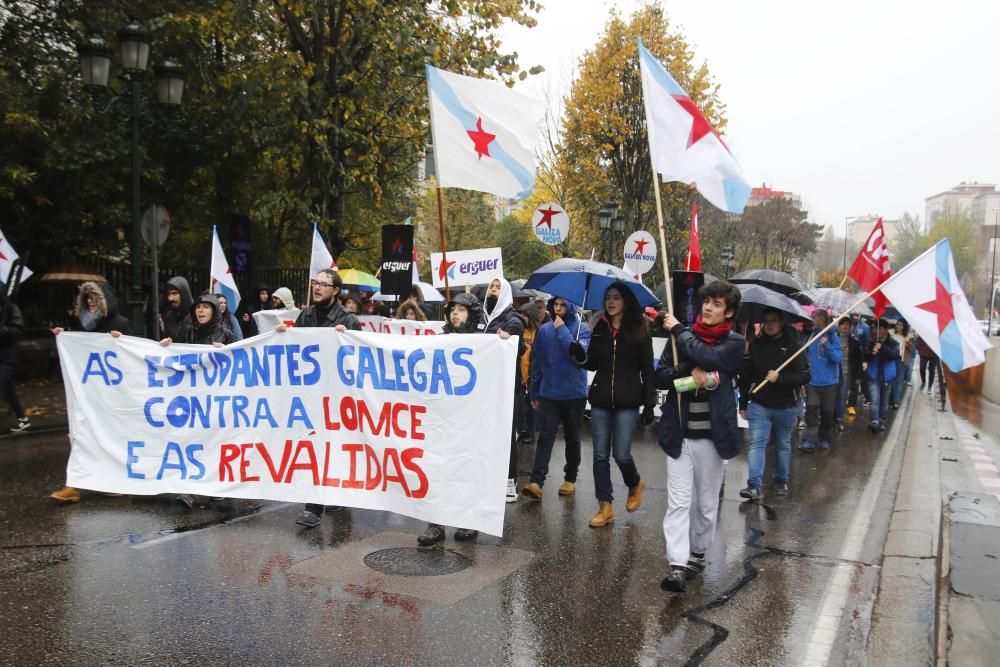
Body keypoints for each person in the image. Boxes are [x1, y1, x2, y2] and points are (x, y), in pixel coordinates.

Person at [655, 280, 744, 593]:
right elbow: (661, 377)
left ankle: (697, 553)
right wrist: (684, 376)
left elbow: (713, 361)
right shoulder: (680, 339)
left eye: (717, 304)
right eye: (707, 302)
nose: (708, 308)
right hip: (678, 436)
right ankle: (677, 565)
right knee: (678, 503)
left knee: (706, 505)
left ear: (729, 312)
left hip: (712, 438)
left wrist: (680, 330)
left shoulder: (734, 343)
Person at [276, 268, 361, 528]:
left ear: (335, 291)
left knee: (333, 448)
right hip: (312, 397)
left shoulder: (348, 319)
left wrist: (344, 339)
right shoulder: (306, 315)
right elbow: (297, 350)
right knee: (314, 447)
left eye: (323, 284)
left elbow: (358, 359)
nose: (317, 288)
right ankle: (313, 507)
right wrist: (284, 335)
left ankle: (334, 493)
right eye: (315, 283)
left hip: (336, 398)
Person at [569, 282, 654, 528]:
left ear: (626, 301)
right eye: (608, 298)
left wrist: (649, 403)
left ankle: (635, 482)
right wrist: (579, 355)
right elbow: (593, 363)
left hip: (628, 400)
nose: (611, 302)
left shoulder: (640, 329)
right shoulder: (599, 329)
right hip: (601, 399)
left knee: (621, 454)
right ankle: (605, 506)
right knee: (599, 455)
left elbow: (648, 369)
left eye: (616, 297)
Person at [50, 282, 131, 503]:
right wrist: (63, 338)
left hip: (111, 394)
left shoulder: (121, 323)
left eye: (94, 298)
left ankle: (113, 481)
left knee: (109, 436)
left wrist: (121, 341)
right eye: (87, 298)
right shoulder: (79, 325)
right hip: (86, 394)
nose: (90, 302)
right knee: (81, 434)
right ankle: (74, 485)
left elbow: (134, 355)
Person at [417, 293, 486, 545]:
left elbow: (514, 352)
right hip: (441, 416)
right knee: (437, 469)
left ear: (472, 314)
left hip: (468, 418)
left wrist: (505, 342)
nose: (455, 313)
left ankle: (468, 521)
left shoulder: (484, 342)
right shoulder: (440, 340)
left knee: (465, 468)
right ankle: (435, 524)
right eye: (453, 309)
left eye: (462, 310)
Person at [160, 294, 235, 508]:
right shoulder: (187, 331)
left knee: (213, 442)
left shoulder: (226, 334)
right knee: (190, 440)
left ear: (214, 311)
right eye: (198, 307)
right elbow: (177, 355)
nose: (200, 311)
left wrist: (227, 353)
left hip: (215, 399)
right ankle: (189, 488)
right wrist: (166, 347)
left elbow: (242, 361)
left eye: (205, 307)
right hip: (191, 398)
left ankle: (216, 485)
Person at [522, 297, 590, 500]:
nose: (558, 309)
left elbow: (580, 358)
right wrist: (534, 390)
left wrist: (562, 331)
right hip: (549, 393)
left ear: (571, 306)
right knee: (545, 437)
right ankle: (537, 482)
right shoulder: (544, 330)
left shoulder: (583, 329)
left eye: (563, 305)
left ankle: (570, 479)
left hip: (574, 394)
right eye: (555, 305)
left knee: (572, 438)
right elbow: (538, 361)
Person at [737, 307, 810, 500]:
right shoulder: (755, 345)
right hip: (759, 405)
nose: (769, 324)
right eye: (766, 321)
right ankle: (753, 486)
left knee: (782, 444)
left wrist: (780, 378)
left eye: (773, 320)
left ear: (781, 322)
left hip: (786, 406)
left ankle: (781, 481)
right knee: (757, 443)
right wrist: (743, 402)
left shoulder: (794, 346)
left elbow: (804, 375)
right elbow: (745, 377)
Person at [480, 277, 526, 502]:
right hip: (483, 386)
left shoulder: (512, 318)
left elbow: (517, 339)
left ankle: (510, 481)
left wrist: (509, 339)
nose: (494, 290)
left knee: (506, 434)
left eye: (498, 287)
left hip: (506, 387)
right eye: (491, 286)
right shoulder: (481, 317)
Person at [800, 309, 842, 452]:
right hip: (813, 382)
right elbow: (805, 354)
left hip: (829, 383)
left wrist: (828, 346)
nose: (812, 319)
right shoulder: (812, 334)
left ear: (823, 319)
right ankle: (810, 441)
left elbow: (837, 359)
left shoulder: (833, 336)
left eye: (815, 317)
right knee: (811, 411)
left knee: (827, 412)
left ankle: (825, 439)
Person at [0, 283, 30, 433]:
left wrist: (2, 330)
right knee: (8, 390)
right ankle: (22, 419)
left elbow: (17, 330)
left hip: (7, 358)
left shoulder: (11, 309)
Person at [516, 302, 543, 444]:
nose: (522, 317)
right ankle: (523, 431)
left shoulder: (540, 332)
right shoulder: (520, 330)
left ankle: (531, 433)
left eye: (525, 315)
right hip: (520, 374)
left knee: (532, 406)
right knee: (522, 407)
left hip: (533, 376)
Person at [866, 320, 900, 432]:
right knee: (875, 400)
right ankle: (874, 421)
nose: (877, 331)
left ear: (885, 330)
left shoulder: (893, 342)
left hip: (887, 376)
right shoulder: (871, 342)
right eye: (875, 328)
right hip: (873, 375)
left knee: (884, 402)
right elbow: (864, 355)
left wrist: (882, 347)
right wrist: (872, 352)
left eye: (880, 328)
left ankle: (881, 421)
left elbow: (894, 355)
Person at [833, 317, 863, 429]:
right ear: (839, 325)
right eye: (842, 324)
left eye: (847, 325)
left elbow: (858, 360)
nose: (845, 326)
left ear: (851, 327)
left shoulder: (855, 342)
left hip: (846, 373)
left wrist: (858, 376)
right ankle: (830, 418)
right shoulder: (832, 338)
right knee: (832, 396)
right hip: (833, 373)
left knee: (841, 396)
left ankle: (838, 420)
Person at [889, 318, 914, 408]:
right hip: (891, 359)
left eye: (901, 325)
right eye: (898, 324)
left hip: (901, 360)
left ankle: (896, 401)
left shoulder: (907, 336)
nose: (898, 326)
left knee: (899, 381)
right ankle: (890, 400)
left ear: (904, 326)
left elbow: (911, 348)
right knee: (891, 380)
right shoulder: (891, 333)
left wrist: (908, 342)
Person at [161, 276, 193, 341]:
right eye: (168, 294)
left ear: (184, 293)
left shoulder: (197, 316)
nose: (170, 298)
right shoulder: (169, 317)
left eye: (174, 293)